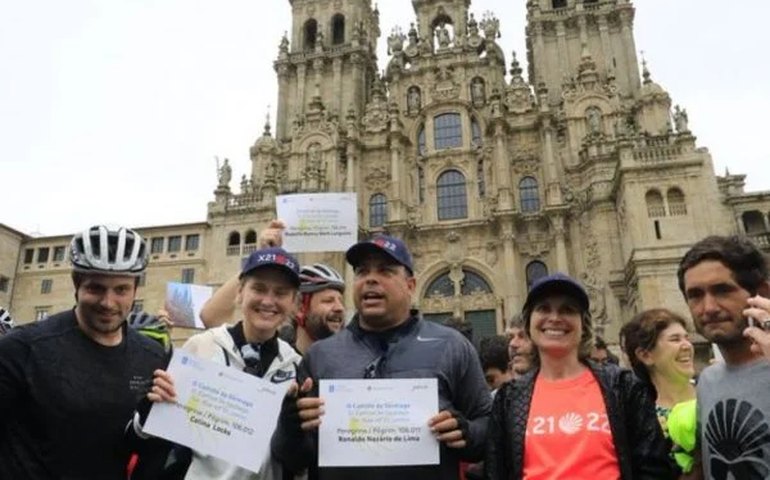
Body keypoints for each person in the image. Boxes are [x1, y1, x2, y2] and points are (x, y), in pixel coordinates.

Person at [271, 235, 491, 480]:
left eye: (385, 270)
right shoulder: (320, 355)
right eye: (362, 271)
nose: (371, 279)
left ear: (410, 285)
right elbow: (293, 458)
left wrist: (468, 433)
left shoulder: (451, 346)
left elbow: (490, 429)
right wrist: (290, 428)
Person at [0, 225, 167, 479]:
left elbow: (140, 447)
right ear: (76, 284)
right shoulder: (22, 348)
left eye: (121, 289)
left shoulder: (153, 356)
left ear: (135, 289)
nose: (108, 303)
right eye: (96, 288)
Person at [133, 246, 304, 479]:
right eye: (259, 288)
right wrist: (149, 410)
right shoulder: (201, 346)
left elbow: (298, 461)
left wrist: (294, 429)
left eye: (281, 293)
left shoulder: (296, 365)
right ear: (240, 292)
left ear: (294, 302)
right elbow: (148, 435)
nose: (268, 301)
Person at [485, 273, 674, 480]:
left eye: (568, 310)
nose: (555, 318)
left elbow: (654, 468)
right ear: (529, 324)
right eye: (544, 308)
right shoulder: (509, 399)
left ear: (584, 326)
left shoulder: (622, 386)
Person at [677, 235, 770, 478]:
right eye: (695, 295)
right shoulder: (708, 381)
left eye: (722, 290)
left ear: (761, 294)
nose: (708, 307)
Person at [200, 220, 346, 355]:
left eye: (341, 301)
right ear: (299, 307)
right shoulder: (280, 354)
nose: (339, 308)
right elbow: (210, 317)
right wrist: (259, 259)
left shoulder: (353, 356)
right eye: (328, 301)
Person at [619, 308, 697, 476]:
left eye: (687, 338)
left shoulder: (712, 392)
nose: (687, 346)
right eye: (675, 339)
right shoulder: (643, 421)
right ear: (646, 355)